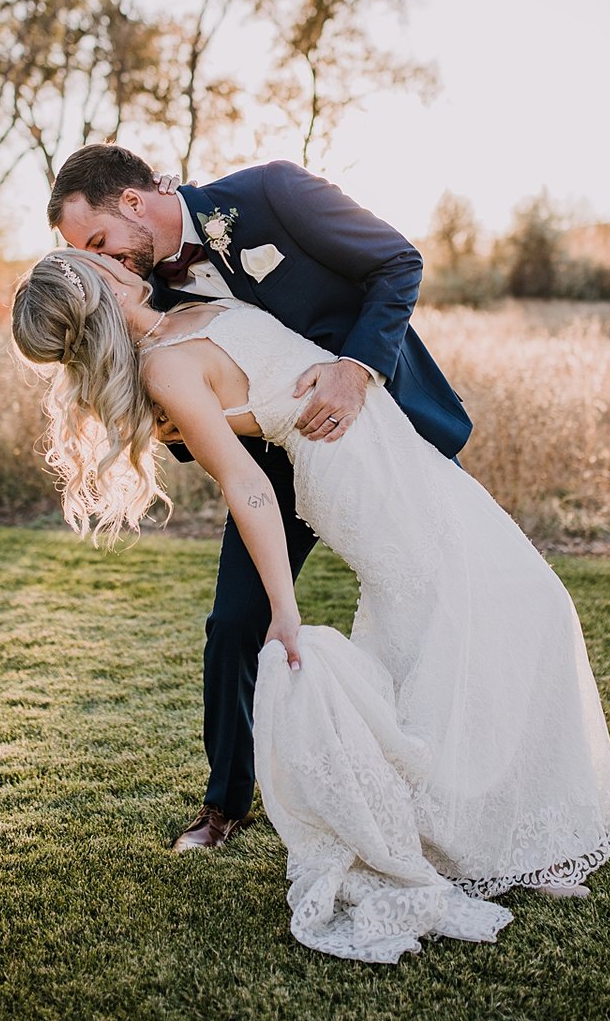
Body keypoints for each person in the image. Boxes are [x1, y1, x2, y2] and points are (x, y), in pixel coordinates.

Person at [11, 248, 610, 964]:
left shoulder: (185, 308)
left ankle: (549, 813)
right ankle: (498, 839)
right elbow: (246, 486)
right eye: (91, 264)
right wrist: (283, 605)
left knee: (526, 603)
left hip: (395, 444)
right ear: (94, 296)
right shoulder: (166, 371)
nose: (112, 259)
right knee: (474, 618)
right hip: (349, 473)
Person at [45, 146, 473, 852]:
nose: (106, 262)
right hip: (270, 463)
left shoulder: (272, 193)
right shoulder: (143, 295)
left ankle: (471, 777)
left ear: (131, 203)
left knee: (452, 595)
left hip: (383, 427)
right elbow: (193, 407)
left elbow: (397, 263)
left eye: (100, 243)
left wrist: (355, 368)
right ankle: (225, 804)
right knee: (232, 625)